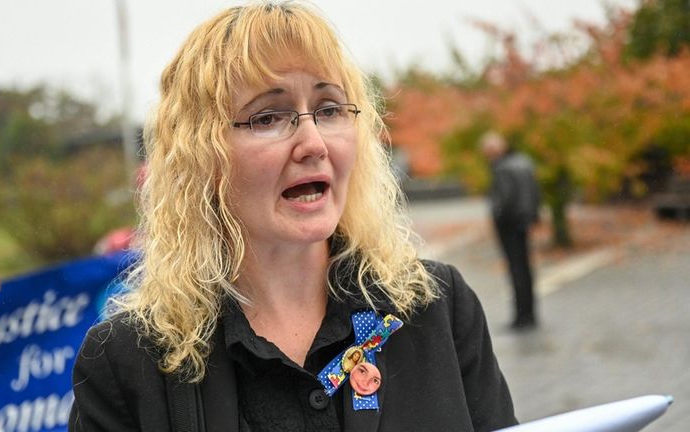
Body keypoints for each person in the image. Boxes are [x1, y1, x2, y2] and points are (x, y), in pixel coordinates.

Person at [69, 2, 517, 431]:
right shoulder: (127, 363)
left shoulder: (437, 309)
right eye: (268, 117)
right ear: (201, 156)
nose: (313, 143)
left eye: (329, 110)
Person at [481, 131, 542, 331]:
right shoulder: (524, 162)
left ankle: (521, 317)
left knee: (517, 271)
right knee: (525, 270)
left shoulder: (503, 168)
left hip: (510, 226)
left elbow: (503, 201)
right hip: (523, 223)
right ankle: (530, 314)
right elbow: (534, 193)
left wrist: (496, 217)